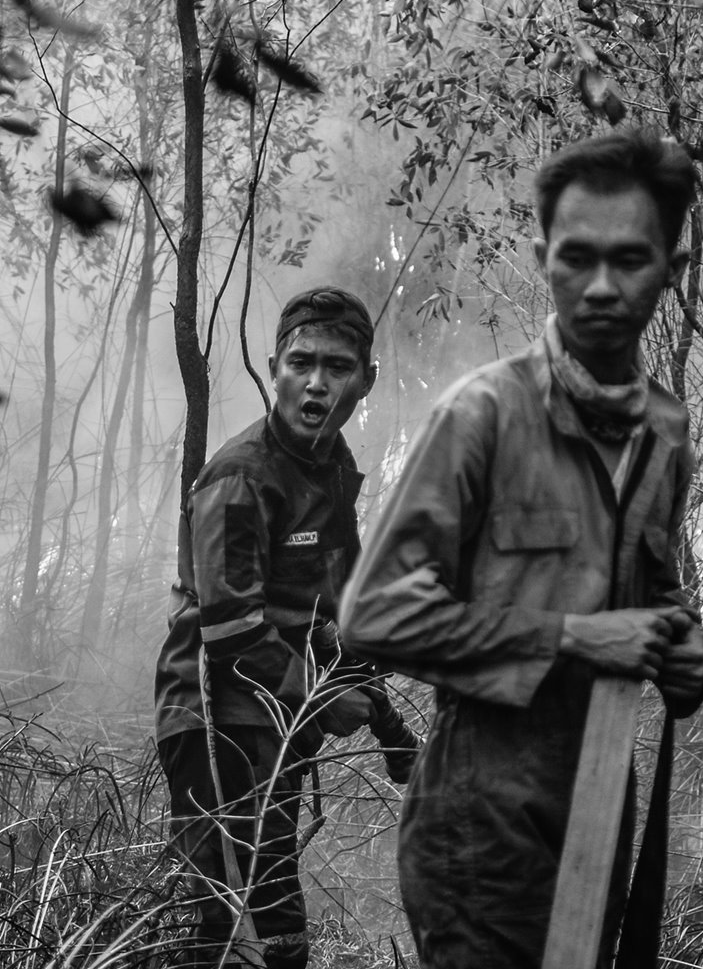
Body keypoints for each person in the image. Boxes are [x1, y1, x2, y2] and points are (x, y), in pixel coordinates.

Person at [340, 127, 703, 969]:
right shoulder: (482, 416)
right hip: (480, 816)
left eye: (632, 260)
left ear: (672, 269)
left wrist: (686, 645)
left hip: (597, 808)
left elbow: (652, 589)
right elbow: (371, 617)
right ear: (545, 256)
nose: (602, 287)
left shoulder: (667, 430)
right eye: (577, 258)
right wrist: (570, 638)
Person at [153, 286, 418, 969]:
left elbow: (335, 613)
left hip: (278, 712)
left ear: (366, 380)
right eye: (301, 363)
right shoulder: (241, 476)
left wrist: (382, 699)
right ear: (275, 366)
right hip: (215, 711)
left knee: (273, 920)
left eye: (337, 367)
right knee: (222, 916)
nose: (317, 383)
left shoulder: (333, 472)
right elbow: (234, 632)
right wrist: (325, 697)